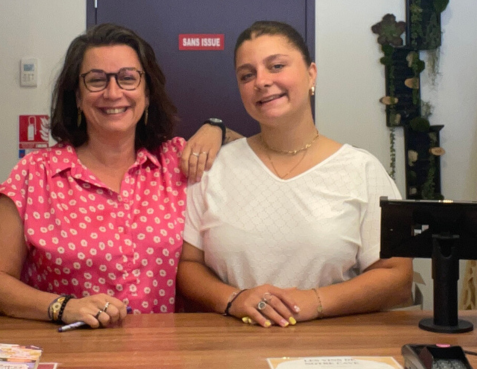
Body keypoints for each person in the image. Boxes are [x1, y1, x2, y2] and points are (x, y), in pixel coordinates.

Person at [0, 23, 235, 328]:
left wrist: (217, 128)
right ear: (77, 96)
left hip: (164, 347)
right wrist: (64, 307)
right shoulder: (35, 173)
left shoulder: (177, 161)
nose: (113, 93)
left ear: (147, 93)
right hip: (66, 346)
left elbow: (258, 152)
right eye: (96, 80)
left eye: (128, 78)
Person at [177, 21, 413, 328]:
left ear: (311, 73)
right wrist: (234, 299)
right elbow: (189, 265)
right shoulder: (214, 168)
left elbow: (397, 278)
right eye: (247, 75)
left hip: (333, 347)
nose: (261, 81)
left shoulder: (361, 169)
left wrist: (314, 301)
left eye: (276, 66)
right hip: (232, 345)